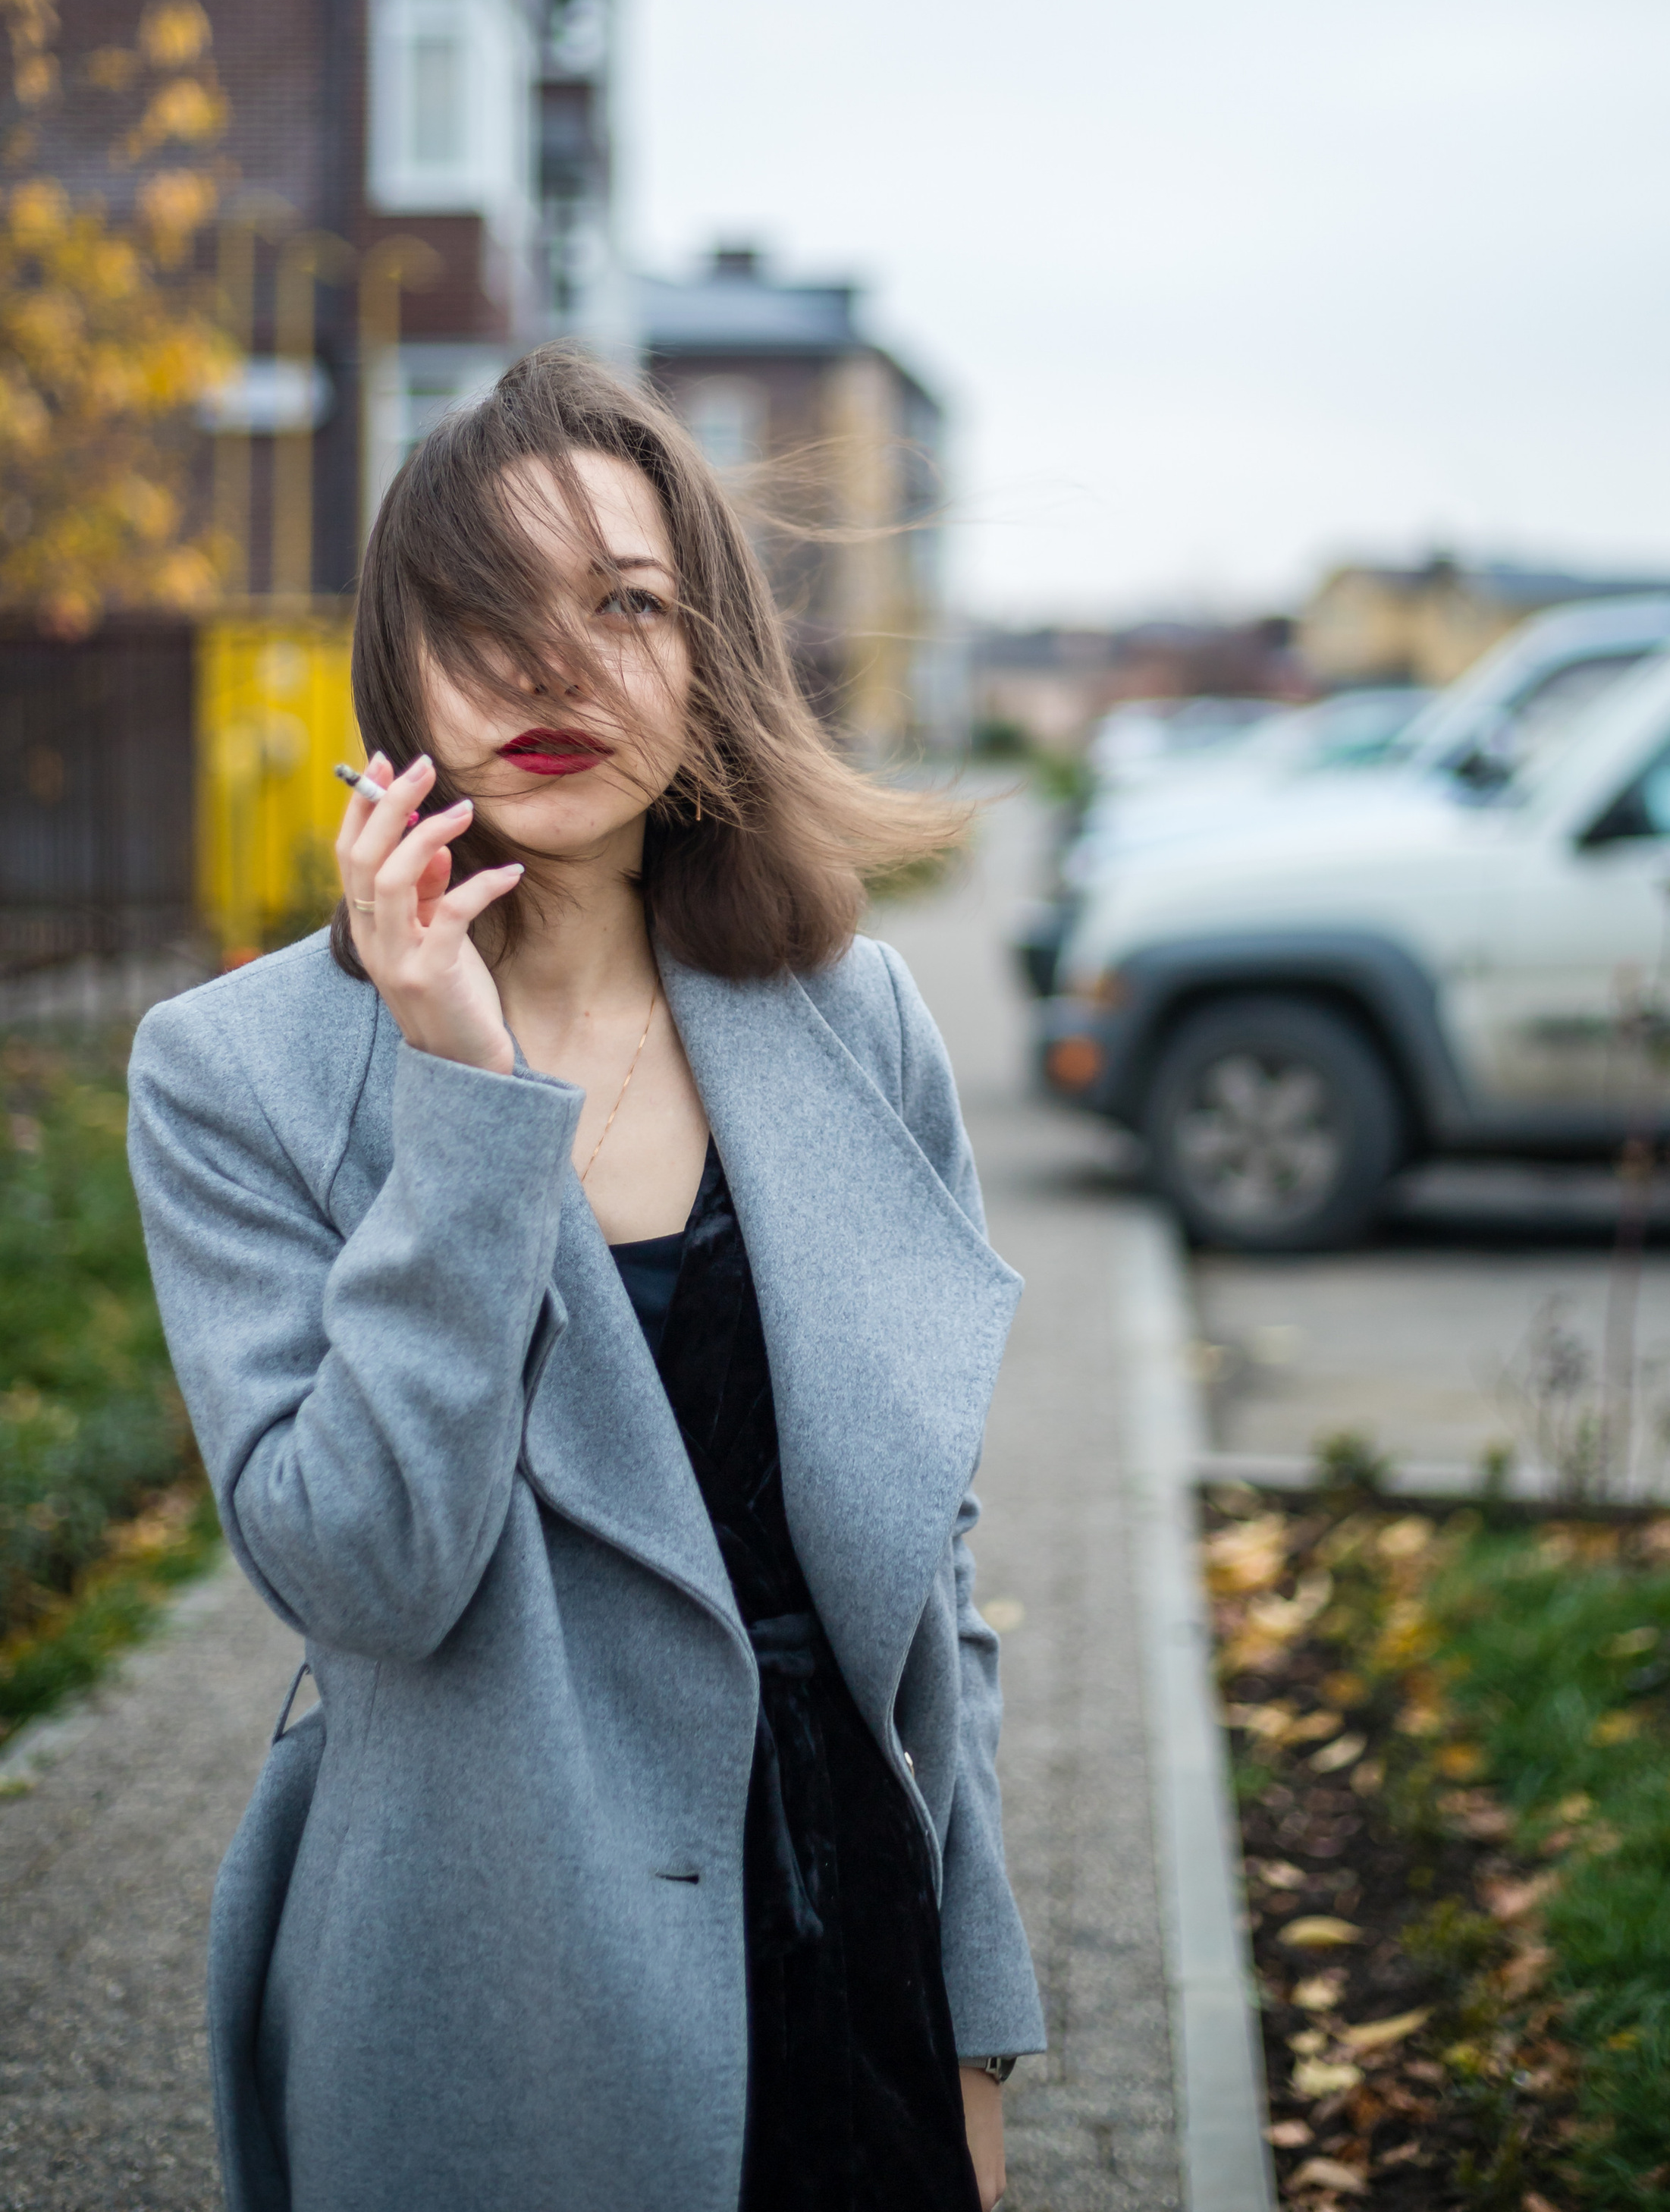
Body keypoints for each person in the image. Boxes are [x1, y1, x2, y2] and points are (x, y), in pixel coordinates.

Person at [127, 345, 1043, 2212]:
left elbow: (925, 1589)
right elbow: (364, 1574)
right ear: (400, 672)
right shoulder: (236, 1074)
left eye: (623, 608)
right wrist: (465, 1094)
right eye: (481, 617)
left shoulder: (850, 1021)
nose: (553, 674)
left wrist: (974, 2010)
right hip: (499, 1981)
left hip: (848, 1925)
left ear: (706, 654)